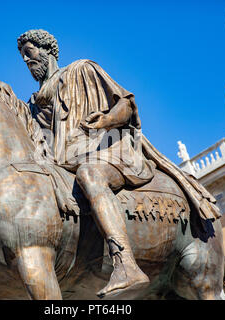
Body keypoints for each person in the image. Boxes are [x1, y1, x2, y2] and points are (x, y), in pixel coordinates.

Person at [17, 29, 155, 298]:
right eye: (22, 55)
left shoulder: (82, 69)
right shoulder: (32, 104)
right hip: (62, 163)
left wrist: (104, 121)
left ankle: (126, 264)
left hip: (105, 153)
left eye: (29, 52)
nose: (25, 59)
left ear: (47, 50)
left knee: (90, 175)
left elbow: (125, 105)